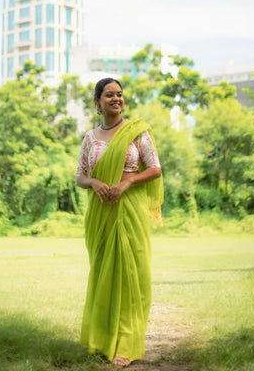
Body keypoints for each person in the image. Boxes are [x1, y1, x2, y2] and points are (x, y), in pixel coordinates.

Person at [76, 77, 164, 368]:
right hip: (101, 214)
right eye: (109, 95)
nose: (116, 99)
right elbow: (80, 177)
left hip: (130, 212)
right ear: (98, 101)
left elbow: (155, 169)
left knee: (130, 276)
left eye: (120, 94)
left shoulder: (137, 133)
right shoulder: (90, 138)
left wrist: (128, 183)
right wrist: (95, 181)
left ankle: (126, 345)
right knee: (104, 275)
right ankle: (103, 340)